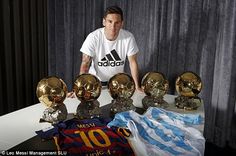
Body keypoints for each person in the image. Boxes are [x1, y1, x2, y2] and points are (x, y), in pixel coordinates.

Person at [68, 6, 142, 98]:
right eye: (110, 21)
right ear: (104, 22)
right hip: (95, 84)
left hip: (117, 84)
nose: (113, 26)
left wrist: (137, 86)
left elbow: (133, 62)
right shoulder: (93, 37)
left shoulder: (128, 37)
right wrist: (80, 89)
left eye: (117, 22)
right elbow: (85, 63)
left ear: (122, 23)